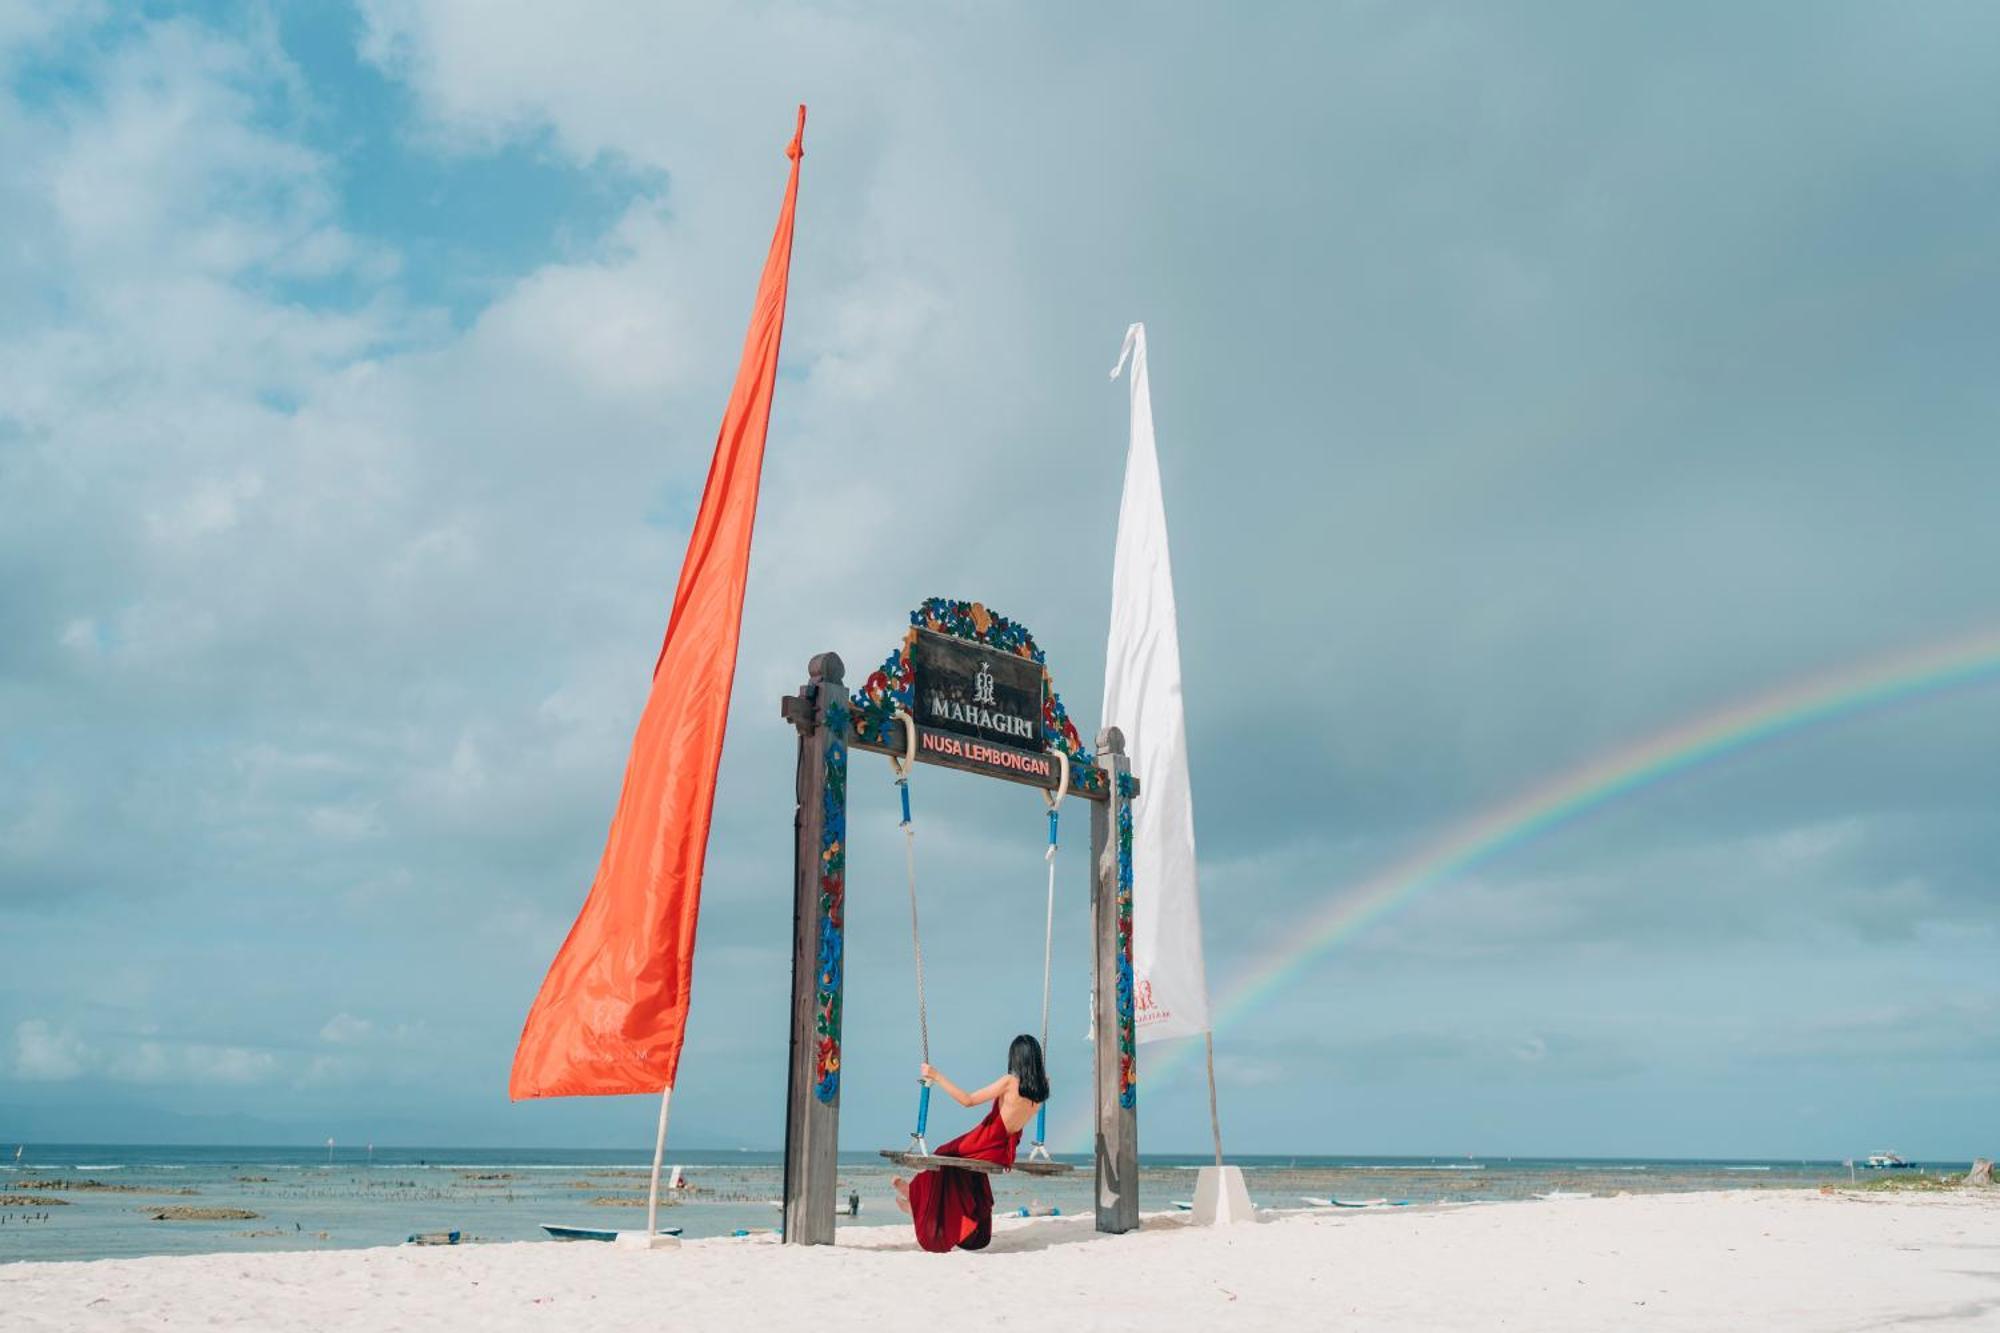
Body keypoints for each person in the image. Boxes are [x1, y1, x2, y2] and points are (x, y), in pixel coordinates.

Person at [892, 1034, 1048, 1253]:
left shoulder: (1010, 1082)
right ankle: (918, 1200)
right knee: (961, 1171)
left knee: (942, 1154)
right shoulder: (1043, 1089)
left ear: (1016, 1058)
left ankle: (916, 1201)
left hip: (987, 1140)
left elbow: (968, 1100)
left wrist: (936, 1075)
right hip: (1004, 1150)